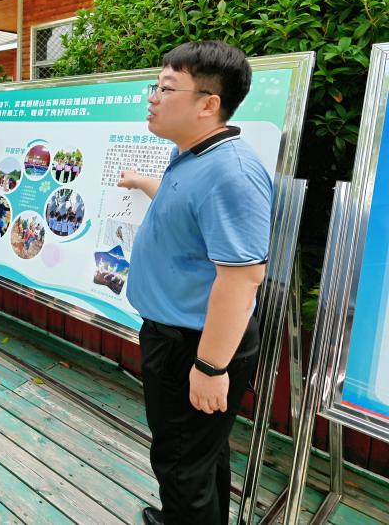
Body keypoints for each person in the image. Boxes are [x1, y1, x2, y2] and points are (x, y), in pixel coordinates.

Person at [119, 41, 270, 525]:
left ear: (208, 104)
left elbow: (242, 279)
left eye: (166, 88)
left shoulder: (231, 173)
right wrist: (143, 182)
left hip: (194, 345)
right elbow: (186, 209)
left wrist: (209, 365)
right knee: (200, 455)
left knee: (181, 462)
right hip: (178, 337)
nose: (153, 97)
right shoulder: (194, 155)